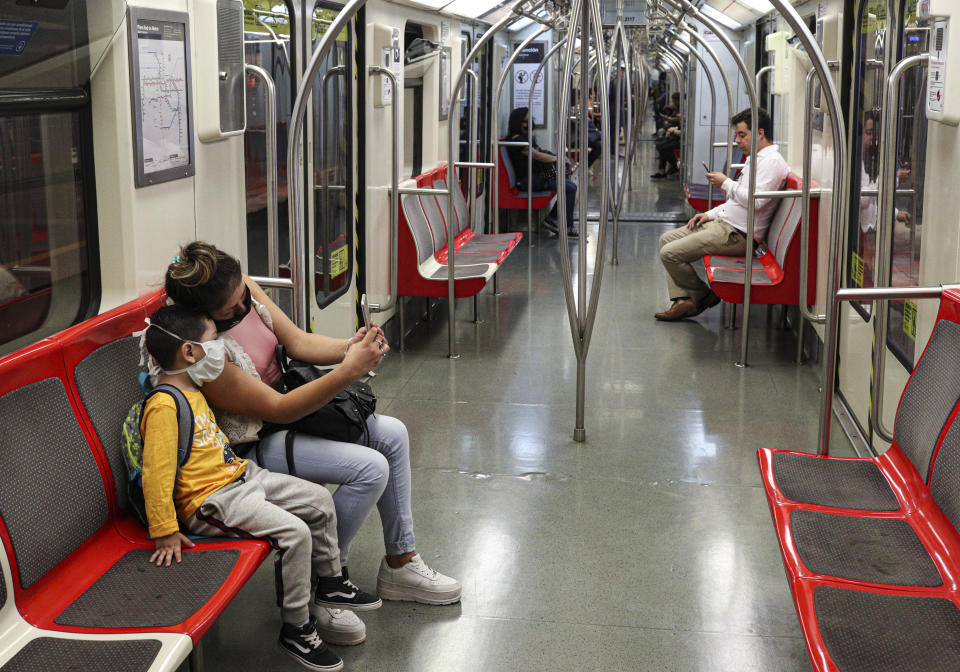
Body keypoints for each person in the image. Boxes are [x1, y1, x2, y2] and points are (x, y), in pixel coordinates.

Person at [162, 242, 462, 645]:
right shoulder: (207, 353)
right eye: (231, 308)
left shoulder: (242, 290)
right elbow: (278, 409)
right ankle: (327, 580)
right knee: (368, 469)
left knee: (393, 435)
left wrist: (350, 348)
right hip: (256, 440)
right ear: (205, 314)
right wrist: (348, 372)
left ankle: (400, 562)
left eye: (242, 296)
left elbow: (299, 342)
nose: (241, 307)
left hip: (292, 412)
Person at [140, 305, 381, 671]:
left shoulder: (195, 389)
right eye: (213, 342)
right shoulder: (163, 404)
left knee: (317, 500)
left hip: (238, 476)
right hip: (210, 501)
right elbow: (155, 472)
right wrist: (165, 530)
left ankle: (332, 582)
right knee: (295, 533)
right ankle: (297, 627)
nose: (220, 348)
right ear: (189, 352)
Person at [655, 108, 789, 321]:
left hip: (737, 235)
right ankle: (684, 298)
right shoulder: (755, 158)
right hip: (724, 225)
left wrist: (725, 183)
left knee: (669, 253)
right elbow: (736, 201)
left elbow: (758, 201)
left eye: (742, 135)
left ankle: (700, 296)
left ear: (760, 133)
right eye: (736, 135)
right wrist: (708, 214)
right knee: (666, 239)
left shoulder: (771, 162)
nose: (737, 140)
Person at [505, 106, 580, 238]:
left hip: (538, 177)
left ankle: (552, 218)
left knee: (564, 175)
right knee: (570, 187)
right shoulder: (516, 140)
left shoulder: (525, 138)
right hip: (529, 180)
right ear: (520, 122)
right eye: (526, 120)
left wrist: (561, 160)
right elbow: (537, 156)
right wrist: (559, 159)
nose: (529, 123)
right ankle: (565, 226)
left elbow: (541, 152)